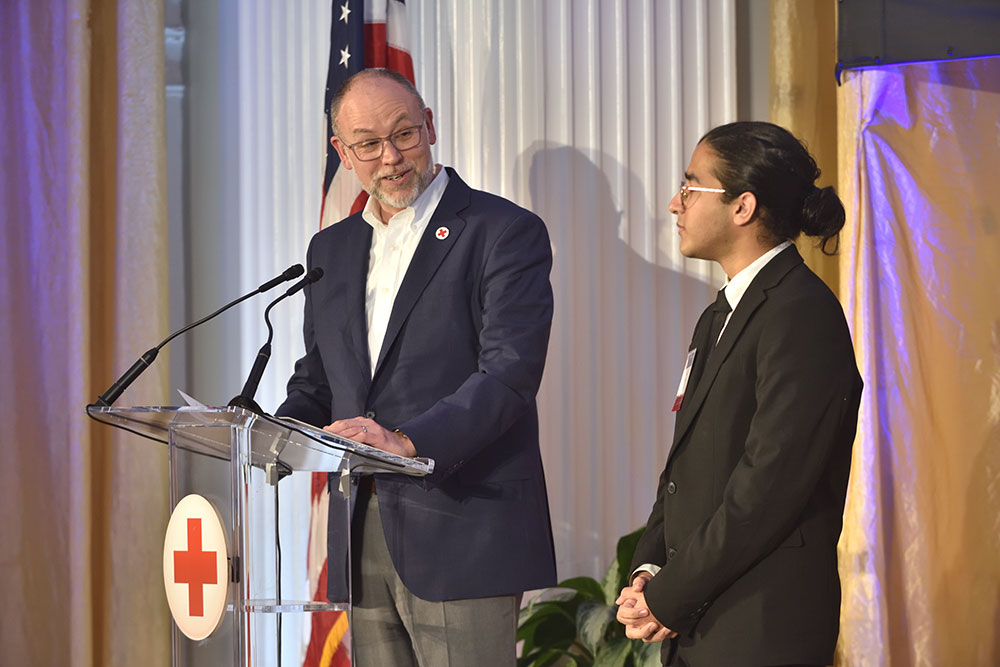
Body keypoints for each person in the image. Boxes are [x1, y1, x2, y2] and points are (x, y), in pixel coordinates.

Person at [276, 68, 556, 666]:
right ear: (342, 153)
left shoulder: (503, 232)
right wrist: (274, 429)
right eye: (369, 144)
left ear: (430, 125)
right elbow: (320, 379)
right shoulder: (331, 248)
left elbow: (509, 374)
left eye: (404, 134)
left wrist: (408, 442)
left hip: (463, 520)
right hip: (361, 524)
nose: (392, 158)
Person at [616, 121, 863, 667]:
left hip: (761, 624)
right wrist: (650, 570)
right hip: (700, 616)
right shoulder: (717, 316)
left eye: (690, 185)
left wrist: (670, 597)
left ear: (742, 206)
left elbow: (767, 488)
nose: (675, 203)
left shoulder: (802, 314)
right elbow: (684, 470)